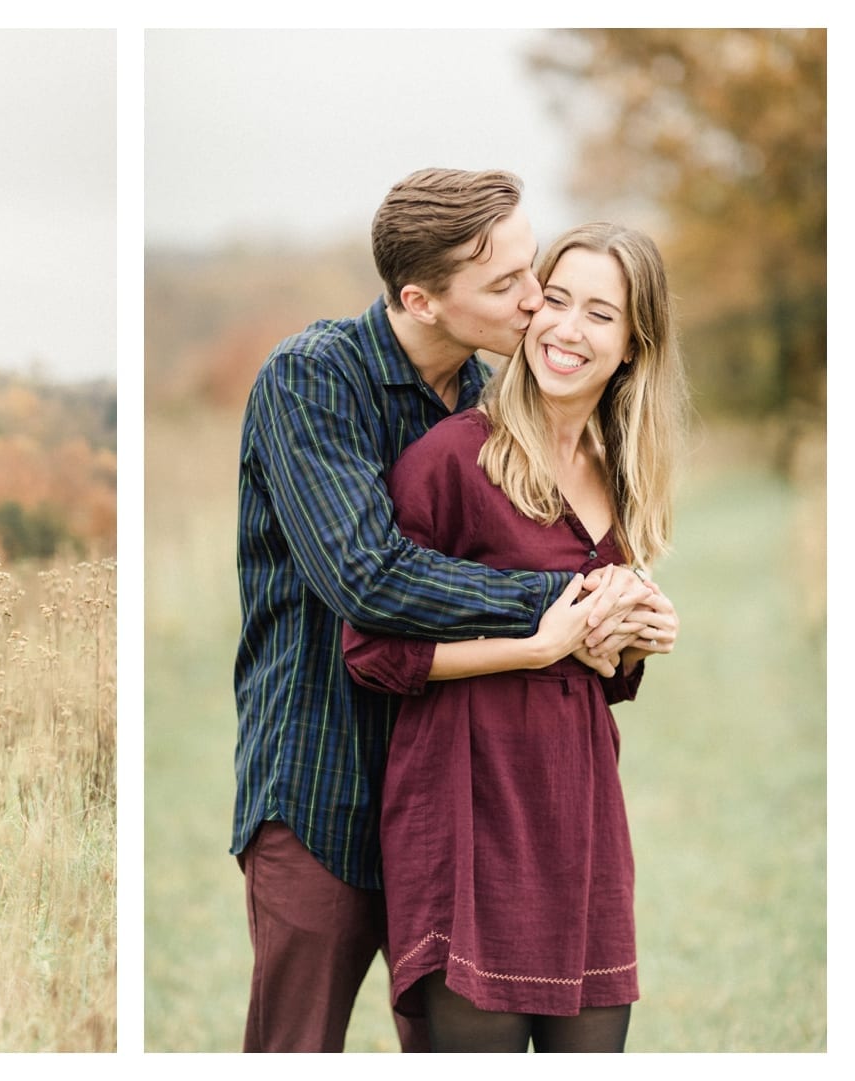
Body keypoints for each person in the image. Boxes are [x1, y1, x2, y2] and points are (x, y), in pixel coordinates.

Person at [232, 169, 654, 1053]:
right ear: (422, 300)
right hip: (324, 774)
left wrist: (624, 621)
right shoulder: (312, 382)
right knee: (295, 1046)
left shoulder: (488, 399)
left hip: (460, 789)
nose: (536, 301)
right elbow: (369, 577)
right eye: (508, 285)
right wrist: (565, 600)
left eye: (530, 267)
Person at [341, 222, 688, 1052]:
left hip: (579, 805)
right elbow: (373, 650)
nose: (567, 329)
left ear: (635, 343)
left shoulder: (624, 474)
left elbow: (592, 664)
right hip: (464, 799)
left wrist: (638, 633)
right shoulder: (452, 459)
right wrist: (534, 645)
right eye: (556, 299)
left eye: (600, 314)